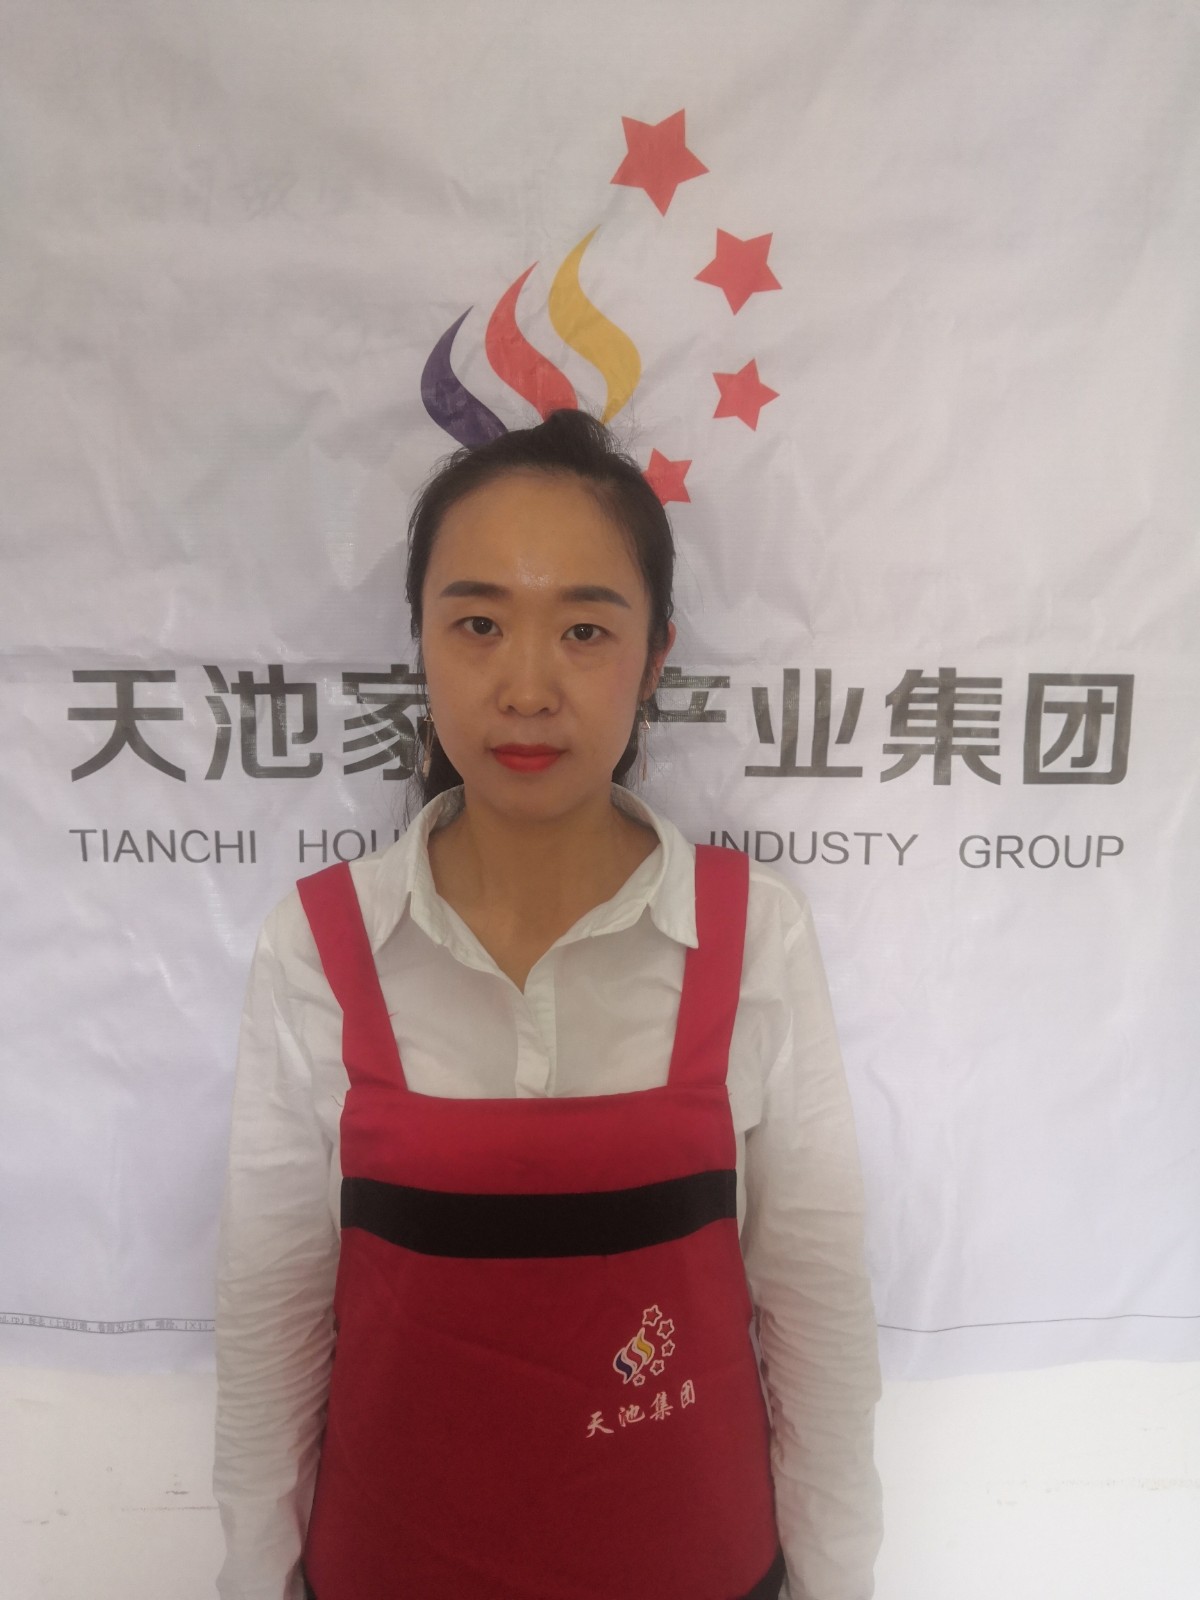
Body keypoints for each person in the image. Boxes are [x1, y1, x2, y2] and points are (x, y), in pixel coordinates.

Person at [213, 408, 883, 1600]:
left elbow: (815, 1314)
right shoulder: (322, 945)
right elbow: (274, 1322)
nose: (526, 687)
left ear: (655, 657)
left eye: (584, 629)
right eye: (478, 624)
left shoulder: (751, 936)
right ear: (420, 643)